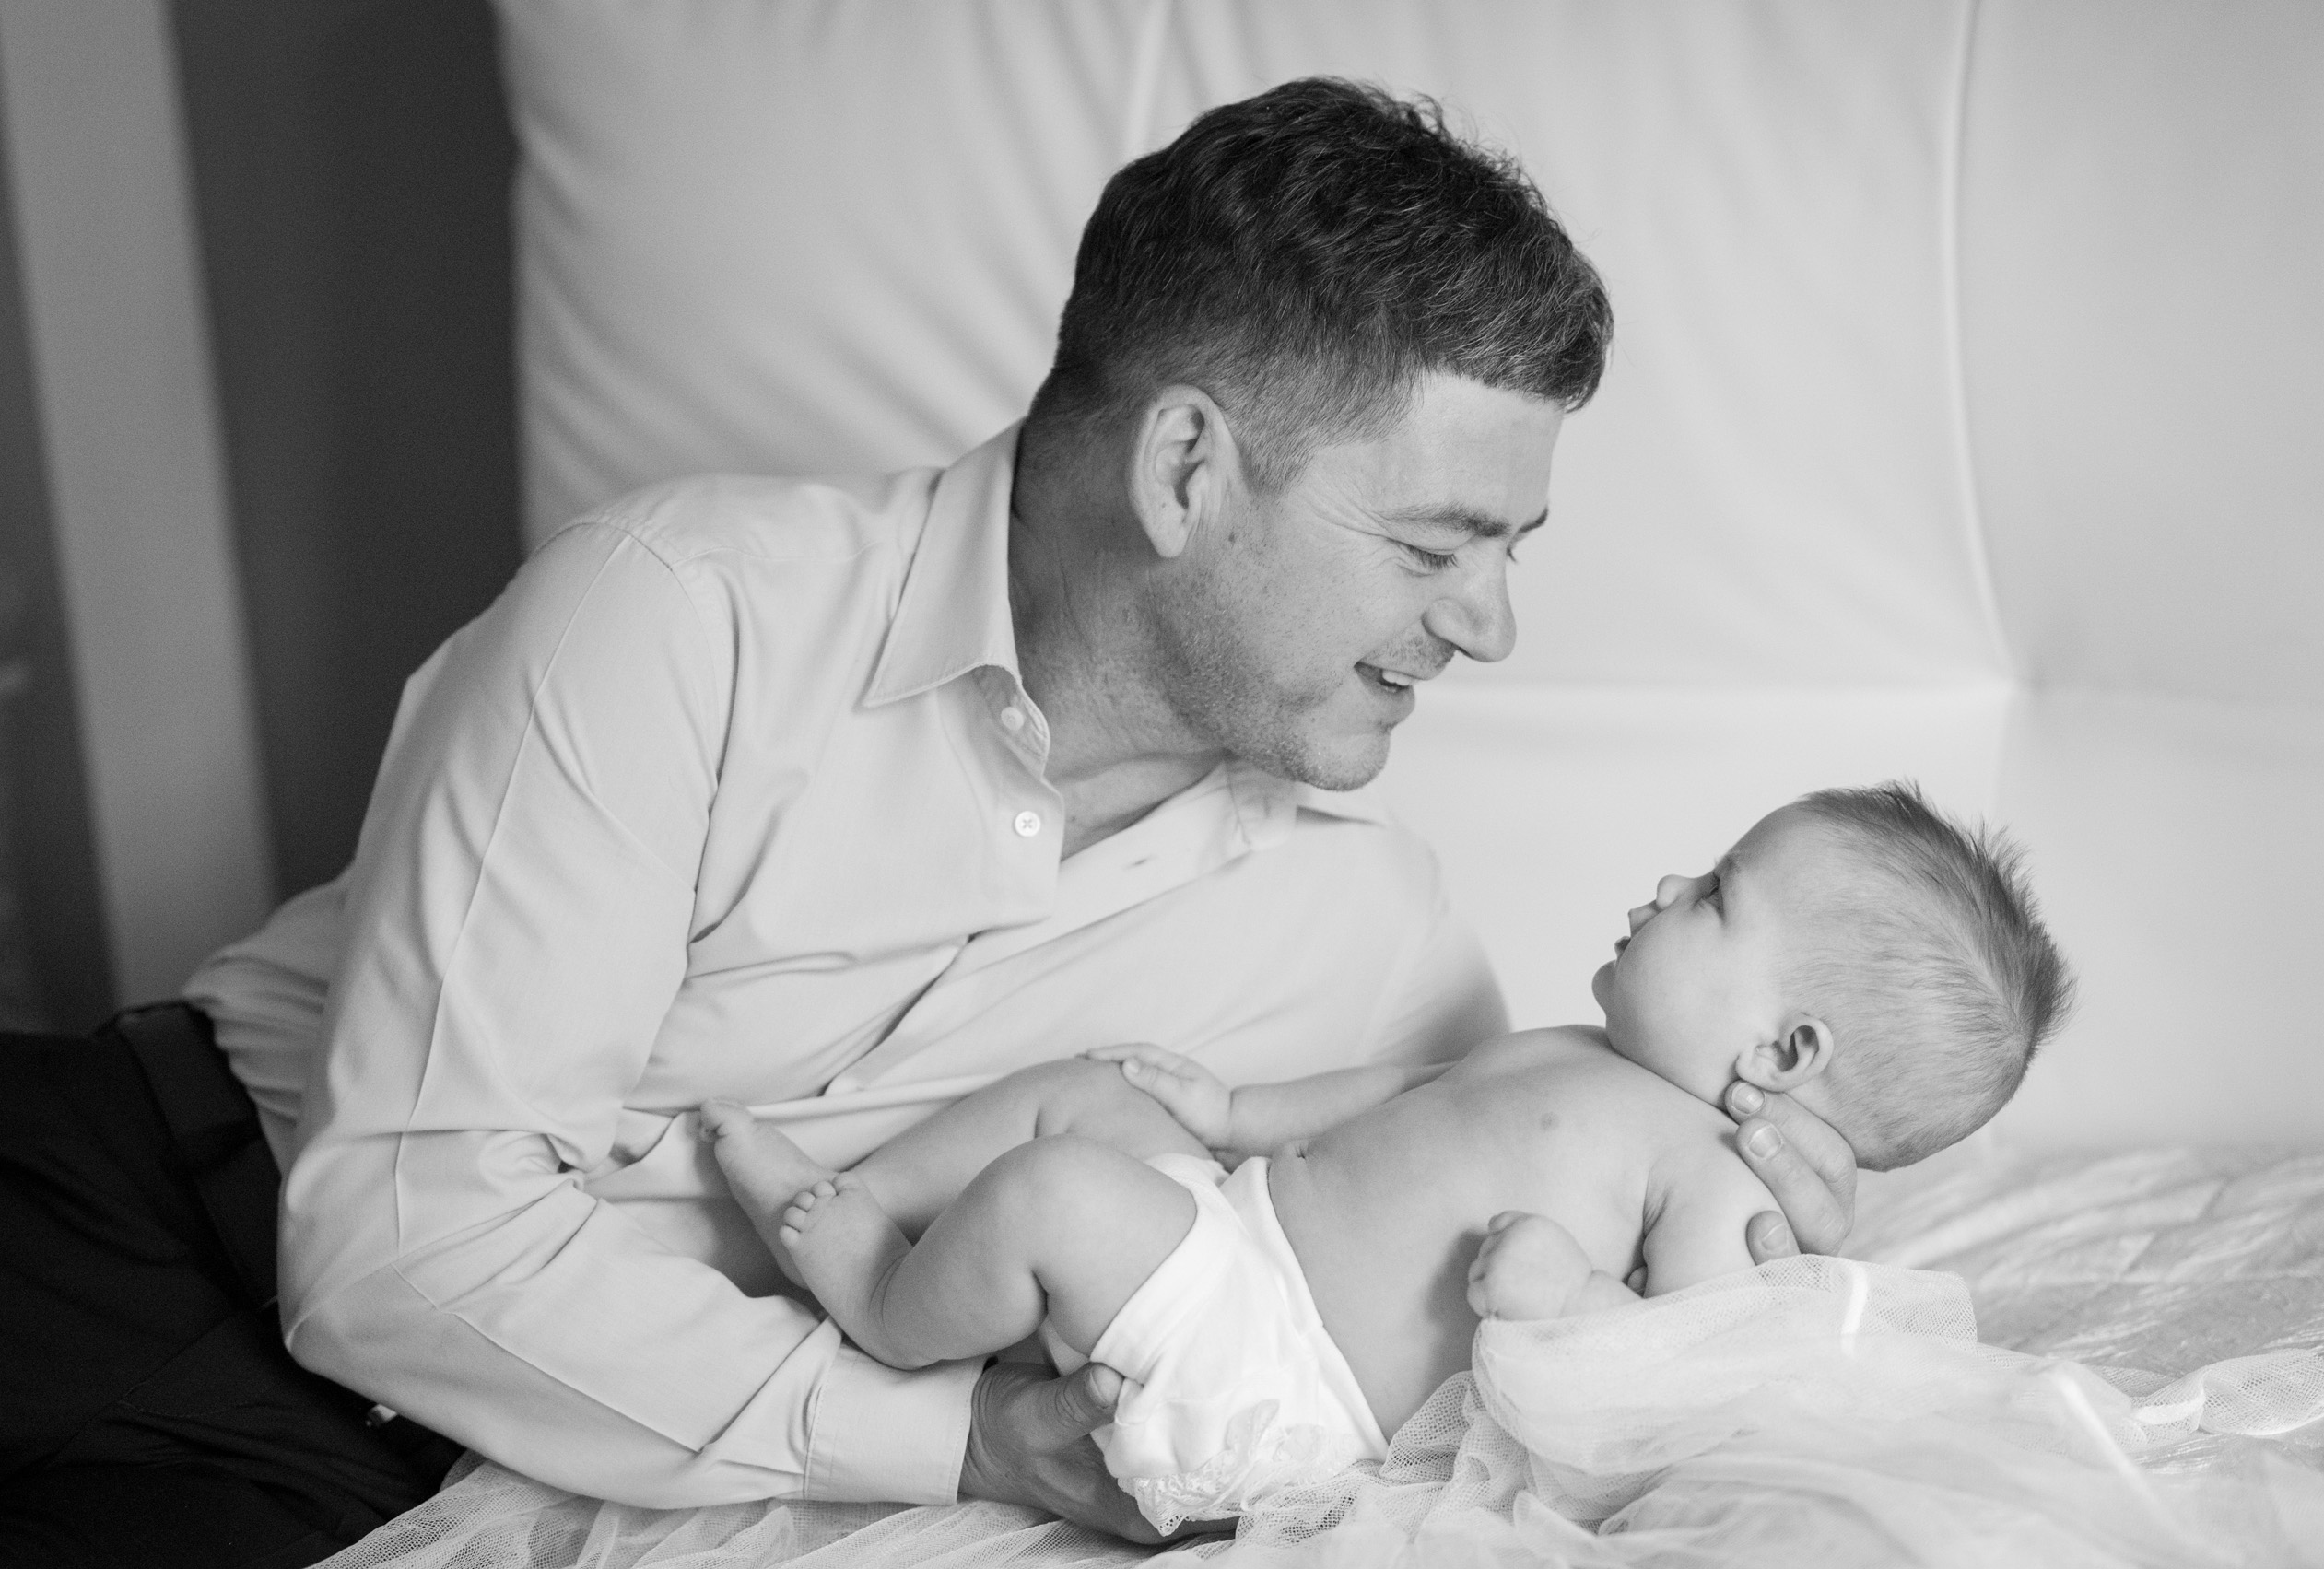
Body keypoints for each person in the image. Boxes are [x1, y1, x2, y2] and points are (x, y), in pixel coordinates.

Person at [0, 77, 1855, 1564]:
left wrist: (1756, 1258)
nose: (1490, 627)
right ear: (1186, 470)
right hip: (129, 1210)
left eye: (1511, 552)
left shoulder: (1381, 960)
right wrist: (952, 1437)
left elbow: (1495, 1341)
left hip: (391, 1477)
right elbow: (409, 1246)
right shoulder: (685, 614)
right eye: (1438, 545)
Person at [698, 782, 2072, 1533]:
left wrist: (1574, 1302)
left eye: (1715, 894)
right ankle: (871, 1192)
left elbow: (1671, 1407)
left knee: (1053, 1193)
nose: (1665, 887)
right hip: (1234, 1233)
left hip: (1282, 1376)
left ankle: (883, 1302)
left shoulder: (1720, 1186)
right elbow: (1412, 1090)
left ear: (1786, 1050)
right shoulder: (1580, 1050)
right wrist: (1235, 1109)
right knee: (1086, 1097)